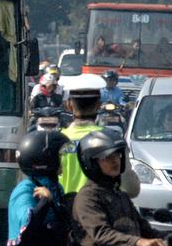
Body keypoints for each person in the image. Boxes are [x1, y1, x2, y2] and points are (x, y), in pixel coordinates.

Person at [58, 79, 140, 208]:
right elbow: (131, 189)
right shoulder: (112, 140)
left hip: (65, 214)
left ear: (69, 106)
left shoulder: (57, 140)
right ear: (98, 105)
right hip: (99, 214)